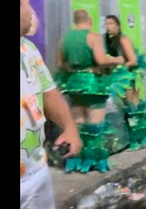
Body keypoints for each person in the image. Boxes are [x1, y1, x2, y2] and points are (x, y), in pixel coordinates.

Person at [21, 0, 82, 208]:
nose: (31, 12)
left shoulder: (28, 50)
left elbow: (49, 93)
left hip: (35, 172)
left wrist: (69, 127)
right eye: (26, 4)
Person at [57, 10, 123, 172]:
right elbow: (101, 60)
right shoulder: (93, 37)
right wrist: (117, 59)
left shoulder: (65, 38)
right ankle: (95, 161)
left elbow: (60, 64)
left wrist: (75, 70)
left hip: (73, 85)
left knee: (78, 122)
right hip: (93, 85)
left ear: (75, 21)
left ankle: (75, 160)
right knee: (95, 124)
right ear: (90, 20)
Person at [104, 15, 146, 150]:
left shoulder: (123, 39)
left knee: (132, 108)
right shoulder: (105, 41)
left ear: (118, 25)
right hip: (113, 77)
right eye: (106, 24)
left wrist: (120, 67)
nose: (108, 26)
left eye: (111, 24)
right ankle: (124, 137)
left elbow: (132, 60)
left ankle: (139, 138)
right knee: (120, 108)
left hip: (126, 78)